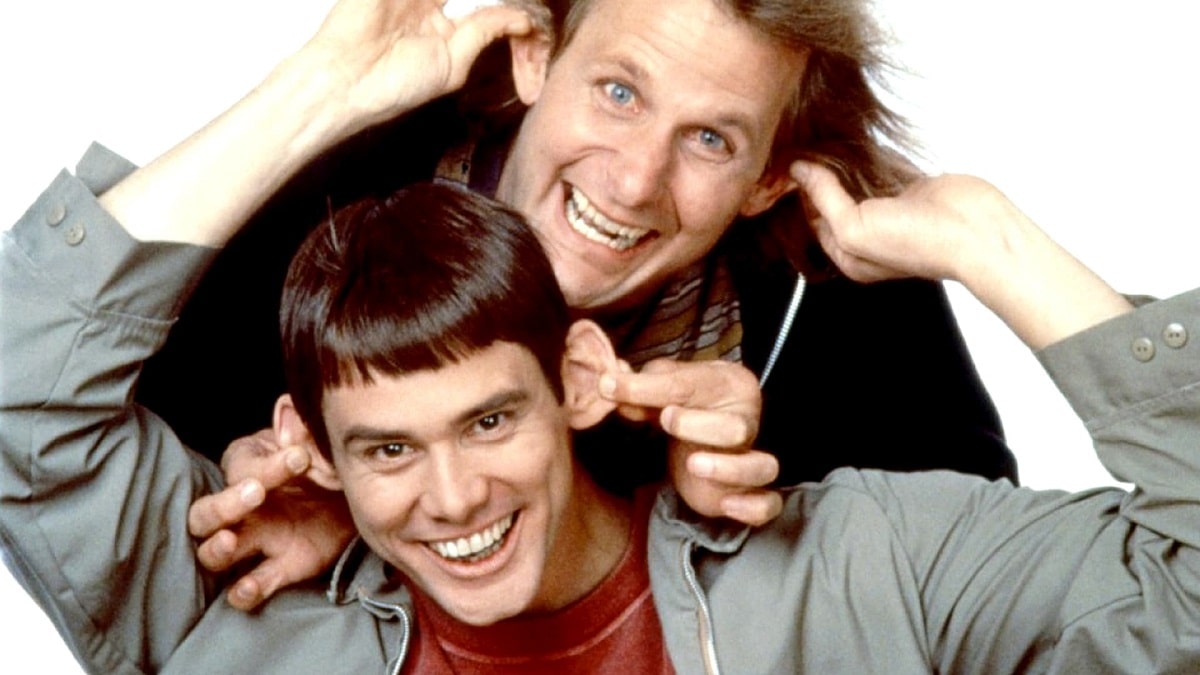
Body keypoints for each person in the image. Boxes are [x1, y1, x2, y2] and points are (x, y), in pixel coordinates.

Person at [4, 155, 1199, 673]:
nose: (454, 498)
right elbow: (19, 376)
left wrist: (989, 243)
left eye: (489, 423)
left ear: (576, 378)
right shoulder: (236, 606)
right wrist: (334, 76)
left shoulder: (862, 568)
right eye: (388, 449)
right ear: (312, 446)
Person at [94, 0, 1013, 610]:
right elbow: (59, 401)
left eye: (709, 139)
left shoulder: (839, 282)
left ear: (769, 178)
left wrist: (757, 518)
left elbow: (972, 593)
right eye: (618, 92)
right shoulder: (336, 199)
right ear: (538, 56)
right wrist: (371, 510)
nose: (634, 180)